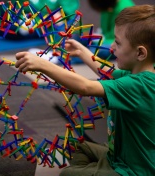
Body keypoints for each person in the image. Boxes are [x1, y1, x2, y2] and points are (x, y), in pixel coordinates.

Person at [15, 4, 155, 176]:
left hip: (134, 170)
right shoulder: (137, 74)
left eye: (117, 43)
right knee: (76, 147)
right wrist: (83, 52)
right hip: (118, 155)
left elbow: (86, 87)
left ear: (140, 53)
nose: (112, 48)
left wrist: (43, 65)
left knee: (68, 174)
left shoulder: (139, 85)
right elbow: (107, 73)